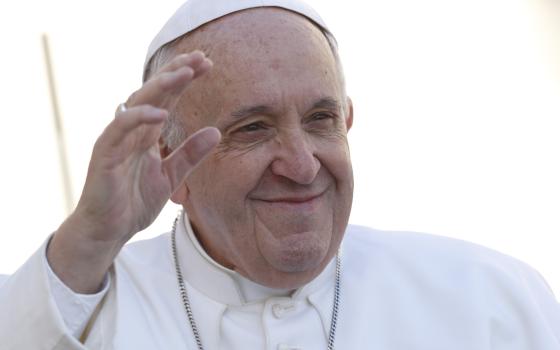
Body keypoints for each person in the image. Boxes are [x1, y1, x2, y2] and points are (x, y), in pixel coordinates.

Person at [1, 0, 559, 349]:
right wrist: (91, 237)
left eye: (320, 121)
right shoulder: (79, 309)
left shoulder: (490, 298)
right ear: (173, 170)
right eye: (252, 128)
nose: (301, 165)